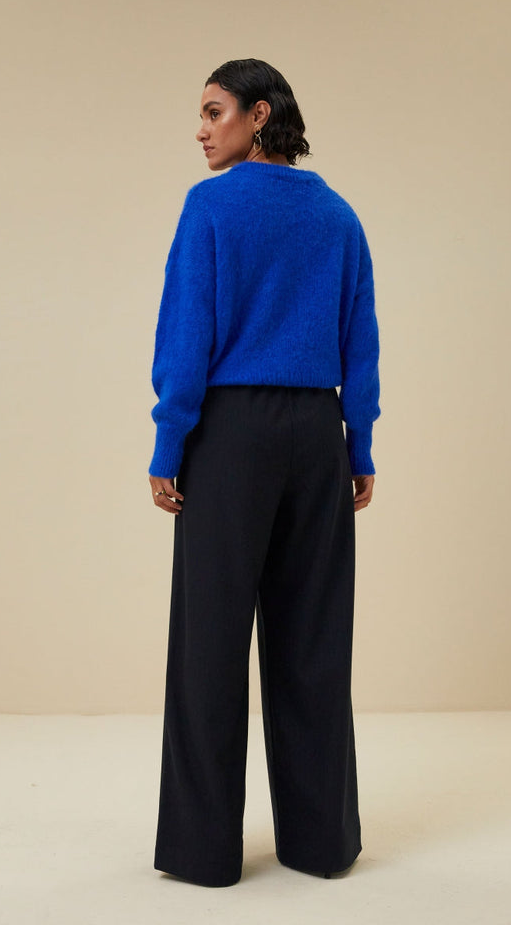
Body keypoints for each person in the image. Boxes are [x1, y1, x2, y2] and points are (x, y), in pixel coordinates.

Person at [147, 58, 380, 888]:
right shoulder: (339, 216)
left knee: (209, 647)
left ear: (259, 114)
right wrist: (358, 445)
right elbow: (361, 339)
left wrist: (169, 443)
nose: (201, 129)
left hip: (231, 436)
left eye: (214, 111)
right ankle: (321, 845)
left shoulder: (210, 206)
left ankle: (203, 854)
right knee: (314, 641)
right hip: (318, 434)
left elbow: (187, 335)